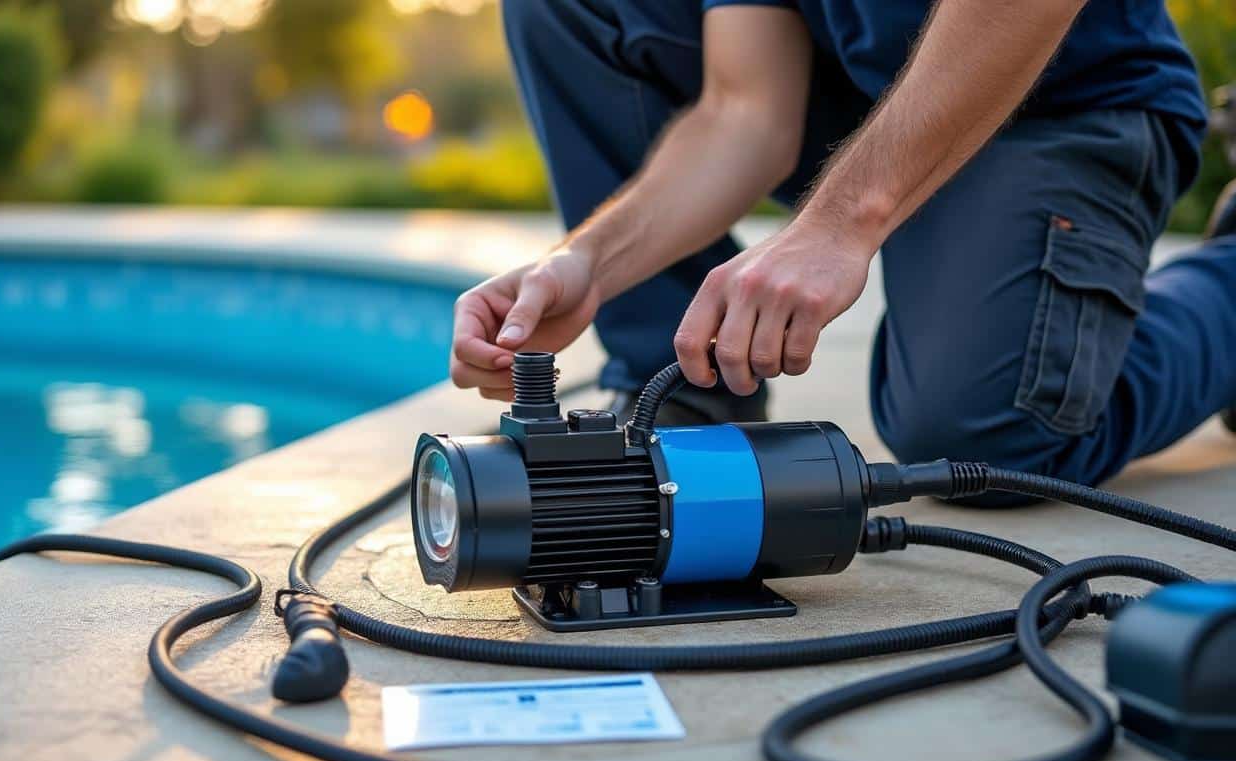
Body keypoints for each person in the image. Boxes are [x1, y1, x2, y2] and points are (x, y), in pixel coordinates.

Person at [448, 0, 1236, 499]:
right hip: (880, 104)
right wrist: (589, 262)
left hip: (1064, 104)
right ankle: (686, 391)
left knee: (981, 437)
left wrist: (842, 222)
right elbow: (746, 109)